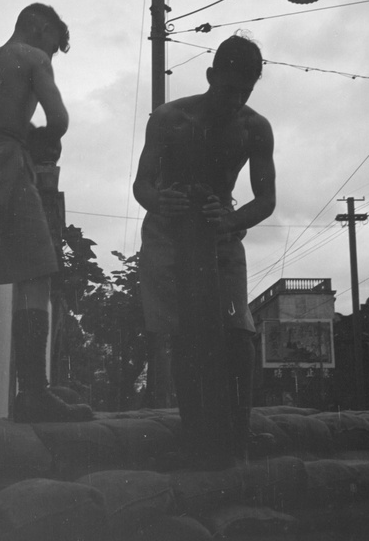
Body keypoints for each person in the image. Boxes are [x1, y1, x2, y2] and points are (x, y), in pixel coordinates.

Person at [133, 33, 276, 465]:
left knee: (238, 334)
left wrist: (230, 221)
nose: (235, 100)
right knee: (182, 333)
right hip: (168, 231)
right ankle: (195, 434)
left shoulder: (255, 128)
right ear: (211, 75)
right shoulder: (169, 118)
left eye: (245, 91)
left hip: (220, 232)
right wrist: (158, 200)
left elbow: (266, 200)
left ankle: (239, 432)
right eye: (228, 89)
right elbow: (141, 183)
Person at [0, 3, 92, 422]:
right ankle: (32, 393)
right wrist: (41, 138)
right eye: (53, 43)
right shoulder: (32, 57)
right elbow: (58, 119)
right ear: (40, 27)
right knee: (36, 271)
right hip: (8, 163)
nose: (53, 53)